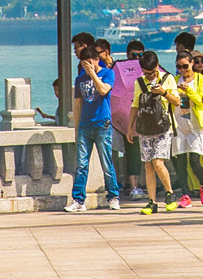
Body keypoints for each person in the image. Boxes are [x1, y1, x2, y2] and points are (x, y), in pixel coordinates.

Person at [67, 45, 119, 213]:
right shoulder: (79, 79)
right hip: (85, 126)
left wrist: (93, 75)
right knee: (81, 165)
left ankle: (113, 196)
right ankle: (78, 200)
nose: (87, 66)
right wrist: (76, 130)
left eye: (90, 62)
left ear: (97, 60)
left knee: (106, 163)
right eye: (84, 63)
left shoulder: (108, 74)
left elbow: (103, 90)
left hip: (102, 124)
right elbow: (78, 105)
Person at [131, 50, 180, 213]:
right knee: (148, 166)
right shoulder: (139, 82)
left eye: (152, 72)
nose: (150, 76)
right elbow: (135, 105)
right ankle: (152, 202)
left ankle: (170, 193)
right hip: (145, 127)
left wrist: (163, 92)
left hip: (163, 127)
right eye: (147, 73)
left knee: (158, 162)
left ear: (157, 66)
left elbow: (177, 101)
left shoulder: (167, 78)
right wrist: (130, 127)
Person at [172, 50, 203, 206]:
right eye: (179, 67)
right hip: (179, 123)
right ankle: (185, 194)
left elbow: (202, 101)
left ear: (192, 63)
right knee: (180, 162)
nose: (183, 70)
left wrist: (188, 90)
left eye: (185, 66)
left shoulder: (200, 79)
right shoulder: (174, 80)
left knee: (195, 161)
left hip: (194, 124)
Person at [110, 39, 147, 200]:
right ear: (127, 54)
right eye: (134, 55)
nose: (137, 58)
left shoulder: (148, 71)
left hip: (145, 118)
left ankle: (140, 184)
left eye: (140, 55)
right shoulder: (119, 72)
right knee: (131, 153)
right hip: (127, 118)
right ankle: (133, 186)